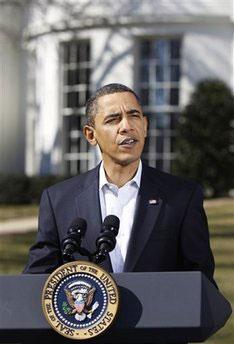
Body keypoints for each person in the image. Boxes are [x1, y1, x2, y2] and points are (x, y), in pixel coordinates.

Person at [23, 83, 216, 287]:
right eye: (113, 119)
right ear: (91, 134)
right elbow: (36, 280)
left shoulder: (182, 196)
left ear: (145, 126)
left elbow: (201, 283)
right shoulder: (58, 200)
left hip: (161, 318)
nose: (126, 126)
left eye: (134, 116)